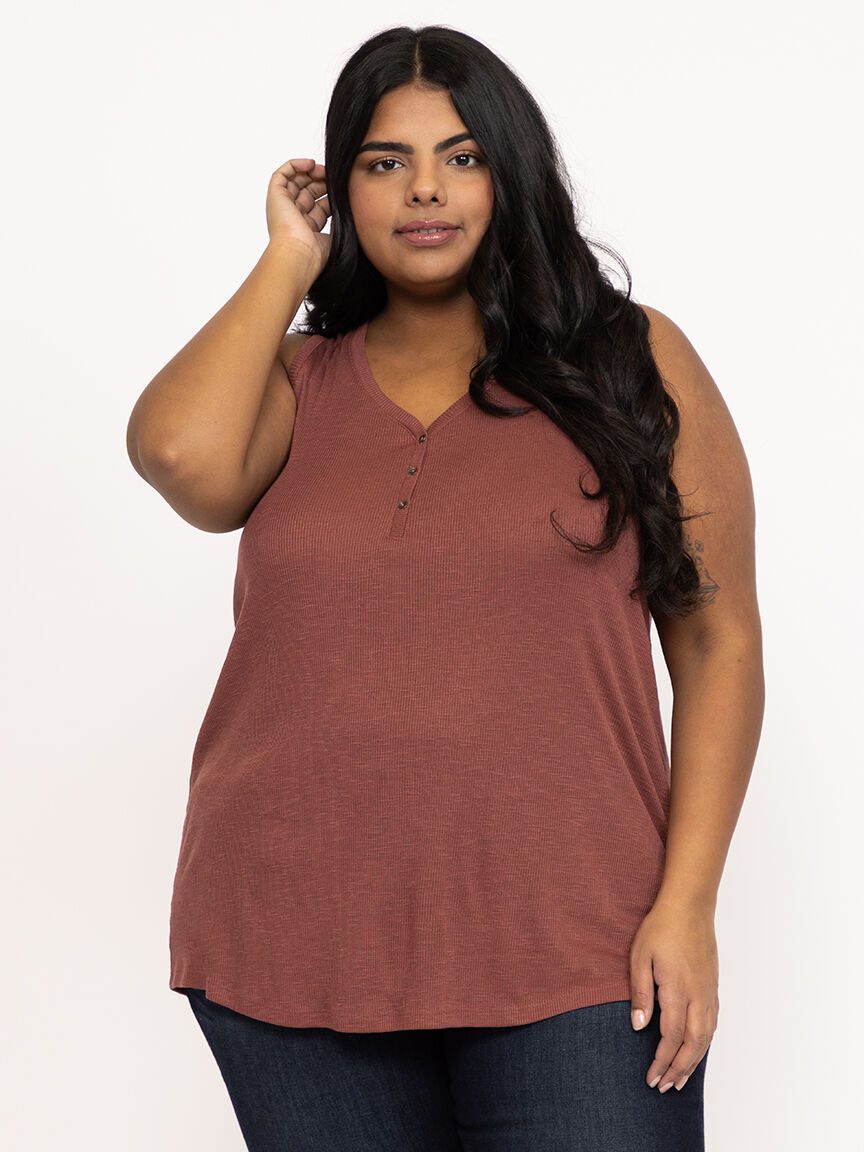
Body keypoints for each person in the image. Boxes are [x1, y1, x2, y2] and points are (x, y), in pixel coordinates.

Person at [126, 23, 763, 1152]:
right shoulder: (294, 379)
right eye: (385, 162)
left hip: (579, 946)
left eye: (462, 157)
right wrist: (287, 261)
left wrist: (689, 904)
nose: (425, 189)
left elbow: (718, 644)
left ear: (510, 174)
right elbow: (178, 456)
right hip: (291, 936)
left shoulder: (632, 361)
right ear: (345, 187)